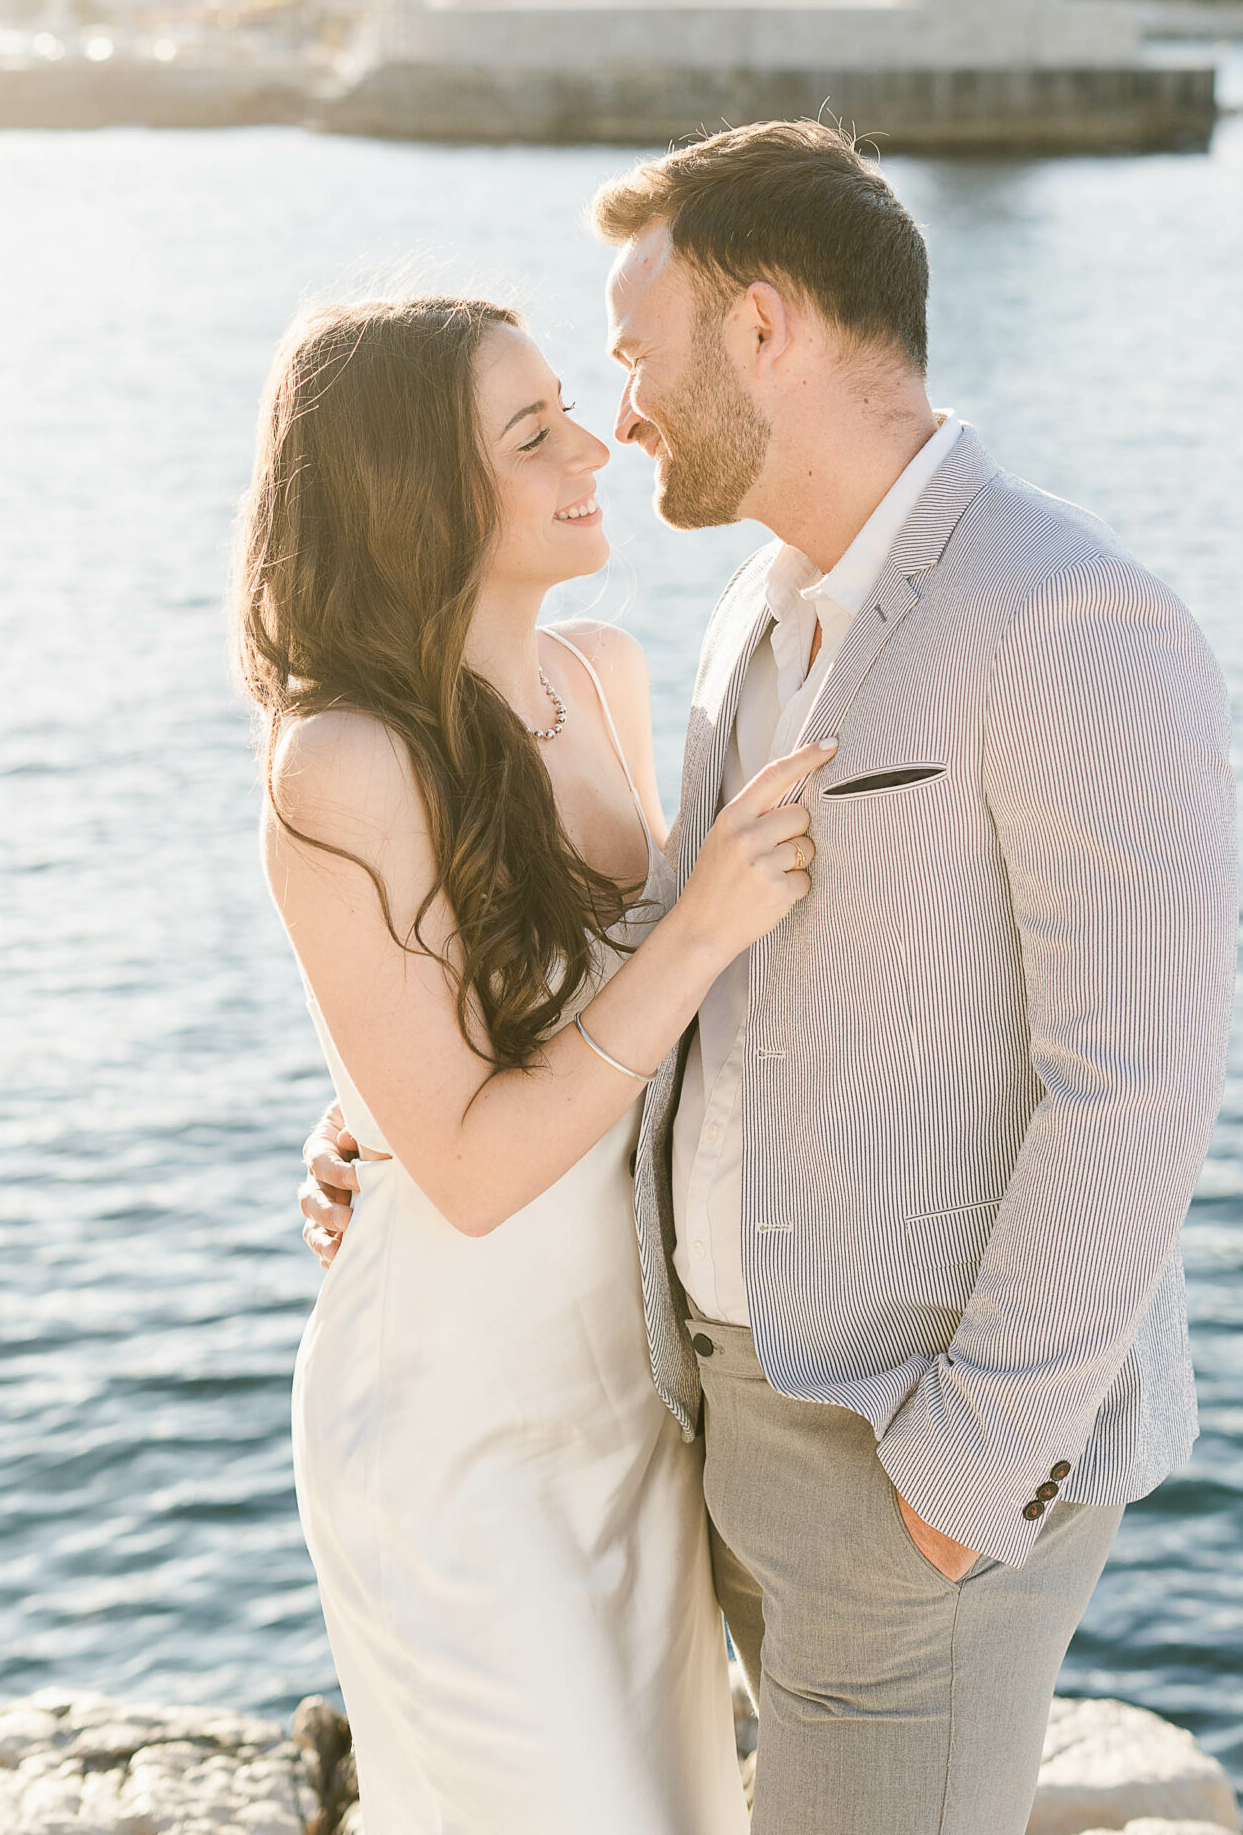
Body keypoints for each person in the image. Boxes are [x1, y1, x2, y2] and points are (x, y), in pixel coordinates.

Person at [305, 121, 1238, 1835]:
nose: (623, 410)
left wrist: (963, 1476)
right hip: (710, 1432)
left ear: (760, 328)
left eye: (636, 353)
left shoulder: (1067, 616)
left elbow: (1140, 1087)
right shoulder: (758, 609)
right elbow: (657, 965)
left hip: (905, 1459)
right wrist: (385, 1100)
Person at [236, 292, 834, 1835]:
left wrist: (372, 1104)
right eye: (533, 435)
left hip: (632, 1414)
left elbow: (551, 1050)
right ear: (412, 494)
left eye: (574, 404)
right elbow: (482, 1167)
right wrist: (694, 931)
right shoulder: (344, 761)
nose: (598, 445)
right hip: (456, 1429)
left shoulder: (604, 676)